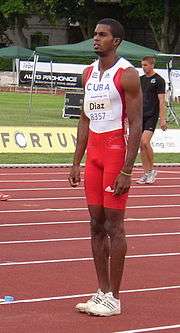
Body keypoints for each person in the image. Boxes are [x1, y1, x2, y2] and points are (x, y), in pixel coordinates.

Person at [68, 18, 142, 317]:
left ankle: (115, 296)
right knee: (95, 225)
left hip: (115, 152)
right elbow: (85, 119)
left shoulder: (127, 74)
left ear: (117, 41)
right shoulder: (88, 74)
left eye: (102, 35)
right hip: (94, 155)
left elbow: (136, 124)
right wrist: (76, 161)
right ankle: (101, 292)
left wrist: (127, 169)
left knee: (114, 225)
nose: (95, 39)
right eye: (95, 35)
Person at [137, 56, 167, 184]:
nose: (143, 68)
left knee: (145, 142)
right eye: (142, 65)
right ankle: (146, 172)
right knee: (141, 145)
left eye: (145, 65)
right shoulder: (140, 80)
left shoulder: (159, 80)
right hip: (139, 115)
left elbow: (161, 101)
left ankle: (152, 170)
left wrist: (162, 119)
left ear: (152, 65)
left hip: (151, 115)